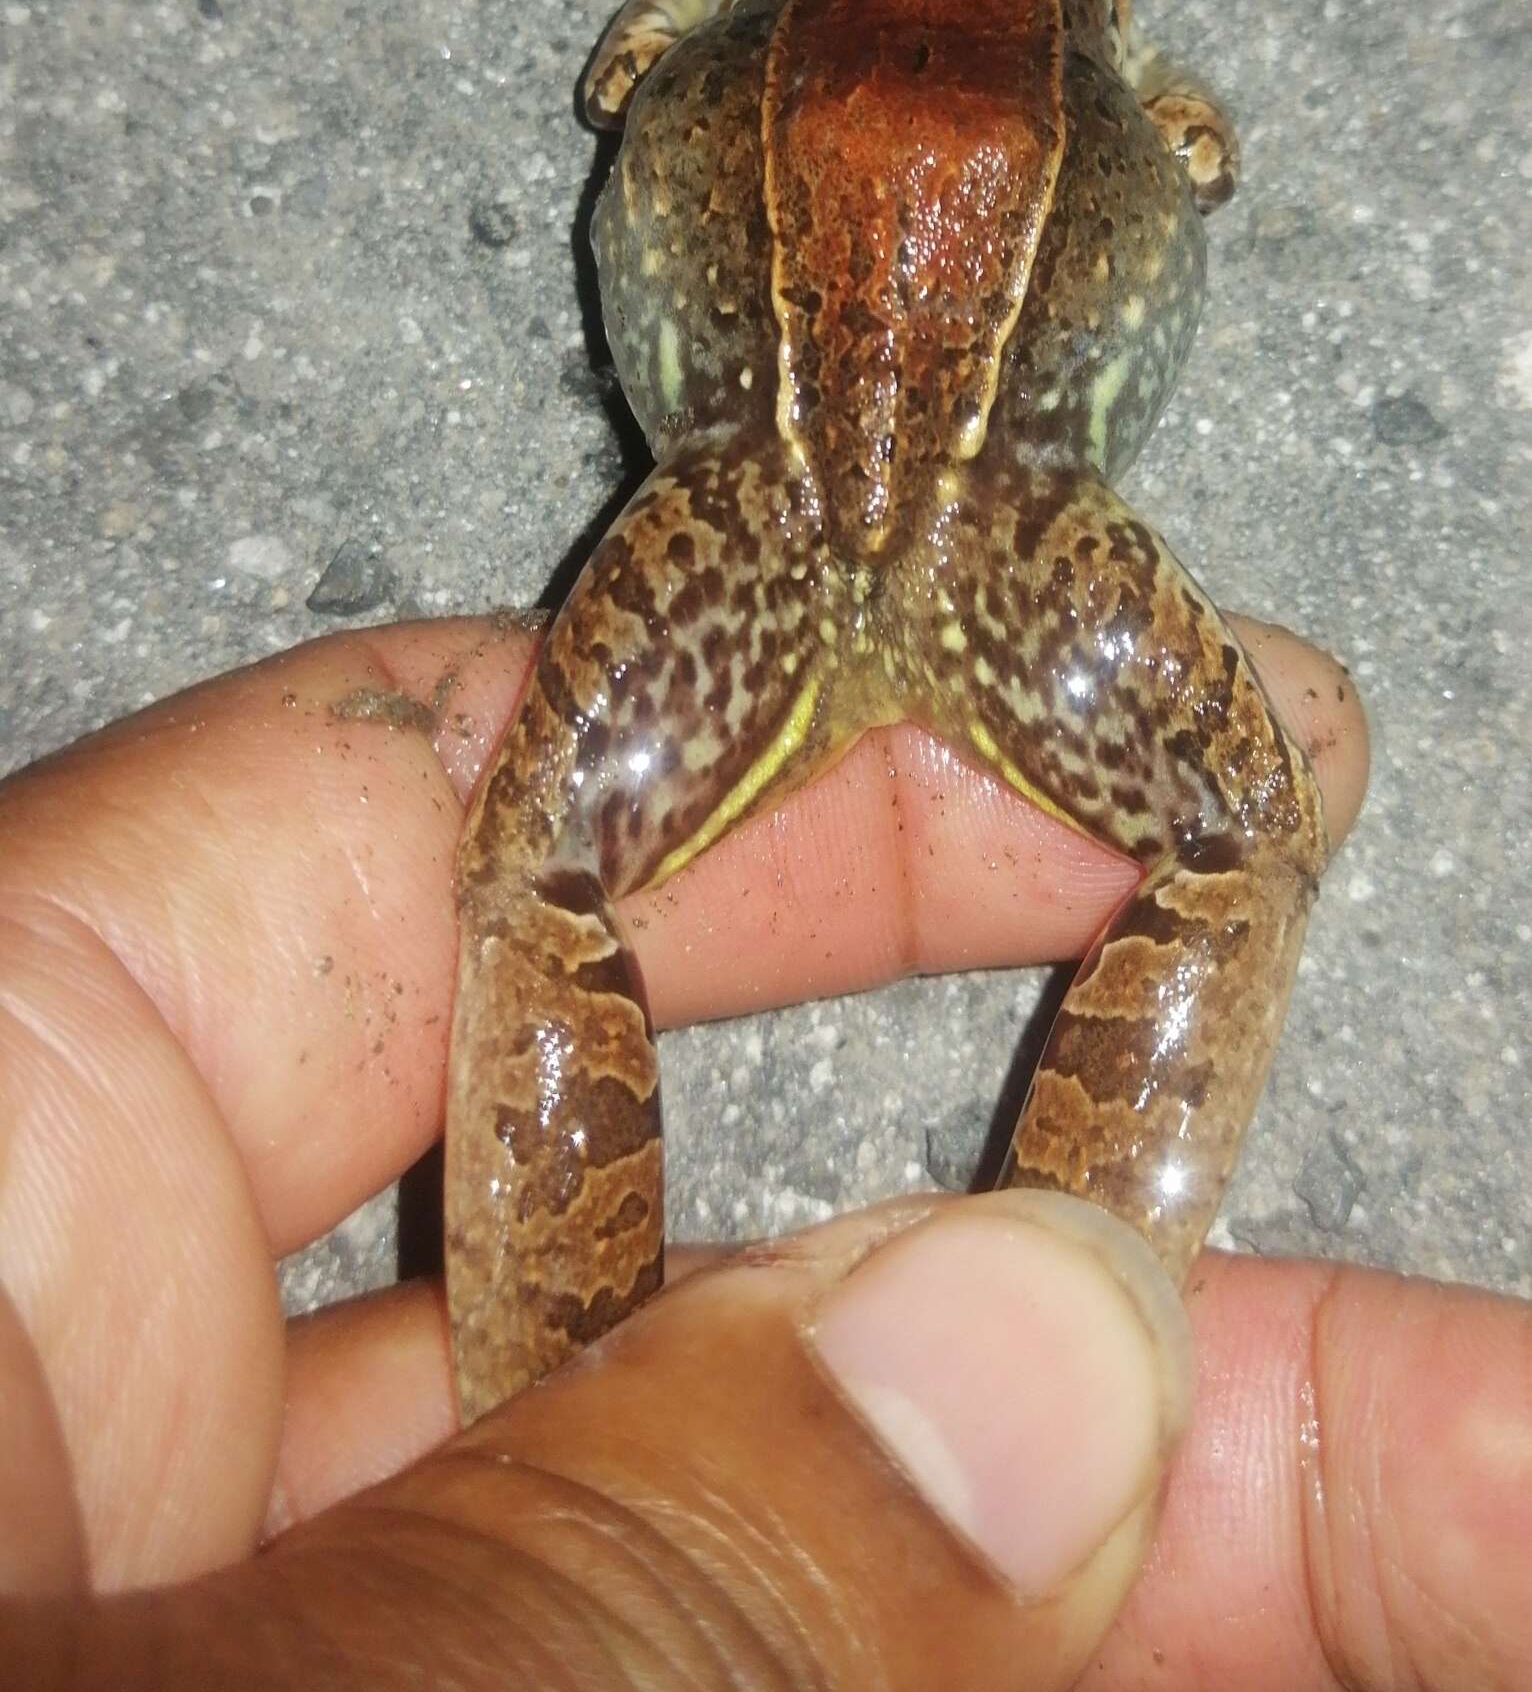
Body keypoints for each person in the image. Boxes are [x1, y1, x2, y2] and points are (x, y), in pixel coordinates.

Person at [0, 614, 1525, 1689]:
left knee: (531, 858)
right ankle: (1083, 1283)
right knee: (1252, 813)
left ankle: (578, 1410)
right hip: (989, 523)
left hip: (771, 507)